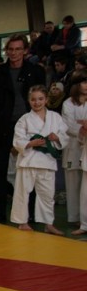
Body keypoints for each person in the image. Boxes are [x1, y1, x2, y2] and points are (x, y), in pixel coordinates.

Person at [0, 34, 46, 223]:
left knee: (29, 170)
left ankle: (30, 213)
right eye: (10, 49)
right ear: (6, 51)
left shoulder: (35, 71)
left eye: (18, 49)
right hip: (3, 125)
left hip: (29, 126)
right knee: (0, 171)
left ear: (25, 50)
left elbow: (42, 99)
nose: (14, 53)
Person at [10, 85, 69, 235]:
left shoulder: (55, 117)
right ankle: (22, 222)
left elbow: (65, 135)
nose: (37, 102)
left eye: (40, 99)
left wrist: (57, 138)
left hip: (47, 161)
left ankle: (48, 224)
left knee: (47, 195)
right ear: (29, 100)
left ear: (46, 99)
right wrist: (31, 143)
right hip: (28, 160)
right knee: (22, 193)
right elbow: (18, 140)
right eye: (33, 99)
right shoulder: (24, 119)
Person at [62, 76, 87, 235]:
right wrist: (82, 127)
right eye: (84, 82)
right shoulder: (68, 103)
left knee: (85, 188)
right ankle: (75, 217)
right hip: (72, 146)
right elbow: (68, 125)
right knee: (73, 184)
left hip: (85, 145)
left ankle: (84, 220)